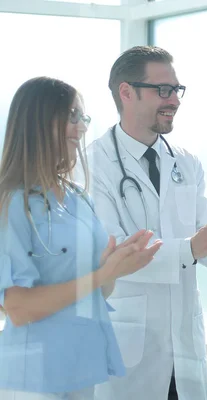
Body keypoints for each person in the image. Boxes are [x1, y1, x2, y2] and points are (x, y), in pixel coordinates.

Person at [87, 46, 207, 400]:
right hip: (128, 349)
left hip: (183, 347)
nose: (175, 100)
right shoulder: (94, 163)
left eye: (177, 90)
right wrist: (191, 248)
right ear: (126, 92)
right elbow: (113, 253)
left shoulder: (185, 161)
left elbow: (203, 234)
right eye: (163, 90)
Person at [0, 76, 161, 399]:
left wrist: (115, 267)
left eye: (83, 117)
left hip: (83, 363)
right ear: (40, 121)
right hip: (34, 376)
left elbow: (99, 290)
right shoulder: (14, 203)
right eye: (72, 116)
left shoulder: (77, 198)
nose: (82, 127)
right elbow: (17, 307)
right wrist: (101, 274)